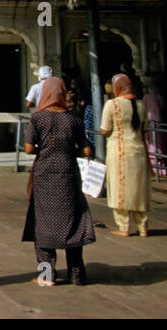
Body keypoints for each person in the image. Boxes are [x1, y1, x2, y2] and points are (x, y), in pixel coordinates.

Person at [23, 77, 96, 285]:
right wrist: (70, 151)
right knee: (72, 222)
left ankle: (47, 275)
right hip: (68, 174)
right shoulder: (73, 119)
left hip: (44, 175)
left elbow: (28, 148)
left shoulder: (38, 118)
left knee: (43, 225)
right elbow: (87, 149)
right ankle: (77, 274)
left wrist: (44, 150)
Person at [100, 73, 150, 237]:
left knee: (119, 187)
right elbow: (144, 130)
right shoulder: (141, 105)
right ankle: (143, 227)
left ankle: (124, 227)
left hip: (119, 151)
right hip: (139, 150)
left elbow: (105, 130)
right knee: (139, 189)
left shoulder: (112, 105)